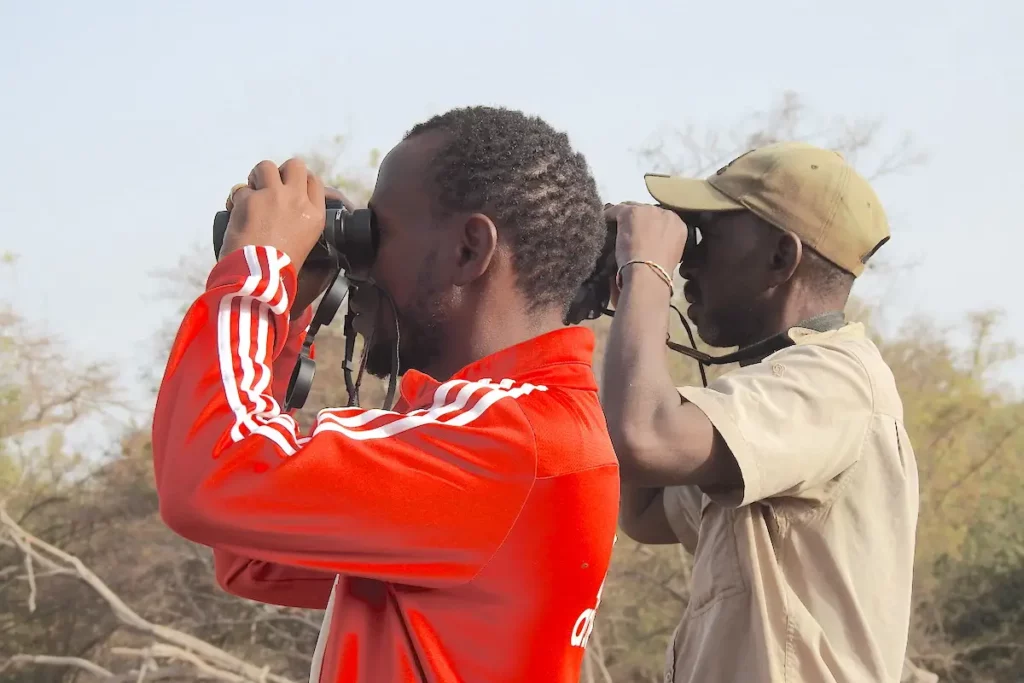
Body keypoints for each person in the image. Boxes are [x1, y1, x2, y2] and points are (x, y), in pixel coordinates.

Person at [151, 106, 620, 683]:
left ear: (469, 250)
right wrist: (294, 309)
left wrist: (259, 270)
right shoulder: (527, 427)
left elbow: (210, 480)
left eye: (378, 235)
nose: (359, 269)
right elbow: (253, 553)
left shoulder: (506, 440)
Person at [601, 141, 920, 683]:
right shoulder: (775, 394)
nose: (690, 262)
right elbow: (646, 511)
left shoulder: (835, 381)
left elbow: (643, 442)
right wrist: (636, 300)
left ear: (780, 257)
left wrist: (648, 273)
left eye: (709, 235)